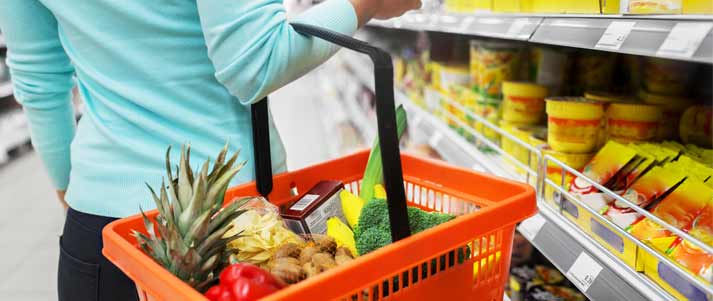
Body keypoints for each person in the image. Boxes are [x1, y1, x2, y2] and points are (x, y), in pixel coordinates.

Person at [0, 0, 420, 300]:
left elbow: (39, 78)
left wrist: (66, 180)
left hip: (100, 234)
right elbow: (255, 62)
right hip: (230, 232)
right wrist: (363, 6)